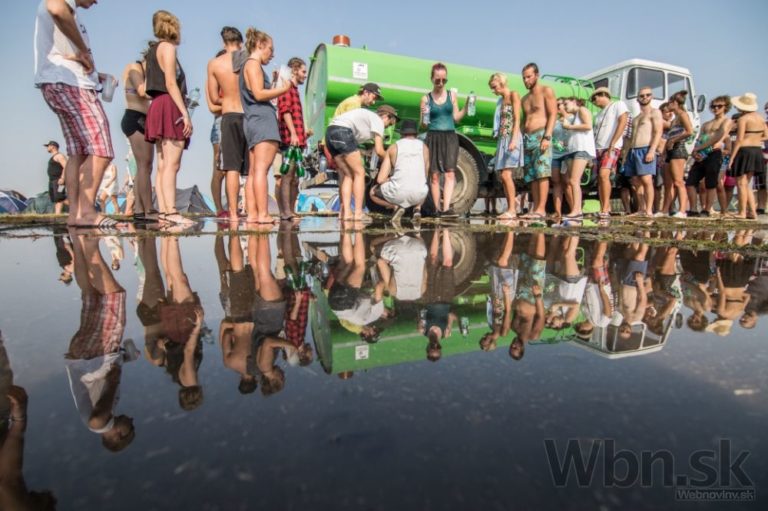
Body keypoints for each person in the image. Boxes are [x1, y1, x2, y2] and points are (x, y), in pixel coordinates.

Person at [35, 0, 118, 228]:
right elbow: (56, 8)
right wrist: (83, 50)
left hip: (59, 82)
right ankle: (86, 211)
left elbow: (64, 53)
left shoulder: (71, 15)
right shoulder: (62, 4)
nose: (96, 1)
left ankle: (75, 213)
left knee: (78, 153)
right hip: (71, 85)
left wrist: (95, 75)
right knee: (101, 149)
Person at [65, 231, 138, 451]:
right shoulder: (106, 413)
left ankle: (91, 245)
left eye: (131, 428)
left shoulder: (101, 424)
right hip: (83, 358)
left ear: (119, 436)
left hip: (96, 355)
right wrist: (125, 359)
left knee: (115, 297)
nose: (131, 420)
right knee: (90, 295)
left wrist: (113, 380)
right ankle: (78, 239)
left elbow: (96, 420)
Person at [239, 28, 296, 225]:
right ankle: (263, 214)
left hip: (252, 119)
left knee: (254, 171)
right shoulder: (253, 64)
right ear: (260, 45)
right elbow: (259, 94)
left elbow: (256, 92)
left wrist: (272, 83)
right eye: (270, 49)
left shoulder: (247, 66)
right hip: (263, 119)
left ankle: (253, 214)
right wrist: (284, 89)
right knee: (262, 170)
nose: (272, 54)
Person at [144, 10, 195, 227]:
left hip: (157, 104)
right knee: (172, 164)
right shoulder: (168, 48)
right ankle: (171, 210)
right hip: (169, 103)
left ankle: (165, 211)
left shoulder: (152, 51)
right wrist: (185, 113)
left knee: (163, 164)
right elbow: (171, 82)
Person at [326, 104, 399, 222]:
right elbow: (380, 150)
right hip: (343, 131)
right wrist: (392, 160)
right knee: (360, 172)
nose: (387, 127)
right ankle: (359, 213)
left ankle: (345, 212)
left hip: (330, 132)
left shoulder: (366, 119)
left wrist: (366, 152)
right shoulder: (378, 120)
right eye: (389, 123)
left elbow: (350, 146)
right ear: (386, 116)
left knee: (348, 175)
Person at [207, 27, 247, 223]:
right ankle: (226, 209)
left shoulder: (214, 64)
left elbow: (214, 98)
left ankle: (232, 213)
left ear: (224, 43)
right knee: (245, 169)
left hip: (228, 115)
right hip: (244, 115)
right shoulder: (247, 59)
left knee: (230, 168)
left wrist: (229, 99)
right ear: (241, 42)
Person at [421, 63, 468, 218]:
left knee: (450, 173)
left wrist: (466, 107)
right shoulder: (426, 99)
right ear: (431, 79)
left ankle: (446, 209)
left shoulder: (452, 96)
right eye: (437, 80)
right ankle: (436, 209)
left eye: (444, 80)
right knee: (434, 175)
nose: (441, 83)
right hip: (433, 136)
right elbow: (423, 125)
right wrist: (423, 114)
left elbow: (456, 118)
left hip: (450, 136)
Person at [369, 119, 429, 224]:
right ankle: (417, 210)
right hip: (419, 195)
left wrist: (391, 178)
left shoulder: (393, 147)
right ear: (416, 134)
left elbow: (380, 179)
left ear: (401, 133)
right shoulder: (424, 148)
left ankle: (396, 207)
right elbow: (425, 175)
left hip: (397, 193)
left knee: (372, 192)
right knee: (422, 185)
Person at [120, 53, 155, 223]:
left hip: (143, 118)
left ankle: (140, 208)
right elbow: (142, 91)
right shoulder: (134, 68)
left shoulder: (142, 71)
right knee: (143, 165)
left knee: (146, 166)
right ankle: (148, 209)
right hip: (135, 117)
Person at [520, 63, 556, 221]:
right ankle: (535, 208)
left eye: (529, 76)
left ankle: (541, 209)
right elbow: (525, 121)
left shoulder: (546, 91)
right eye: (524, 78)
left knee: (542, 174)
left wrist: (547, 137)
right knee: (532, 176)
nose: (526, 80)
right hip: (527, 139)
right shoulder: (524, 99)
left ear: (537, 75)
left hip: (541, 135)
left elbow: (553, 114)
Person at [686, 96, 732, 216]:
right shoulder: (706, 124)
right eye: (713, 106)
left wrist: (701, 149)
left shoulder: (726, 121)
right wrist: (695, 152)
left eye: (719, 106)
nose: (716, 108)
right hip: (701, 153)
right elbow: (699, 139)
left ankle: (707, 209)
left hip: (714, 153)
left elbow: (719, 137)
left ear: (725, 107)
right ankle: (693, 209)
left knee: (711, 183)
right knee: (690, 182)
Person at [276, 57, 309, 221]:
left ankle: (290, 210)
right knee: (287, 175)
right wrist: (294, 133)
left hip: (298, 140)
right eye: (303, 71)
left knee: (295, 178)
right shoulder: (287, 87)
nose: (305, 75)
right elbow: (285, 110)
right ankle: (286, 212)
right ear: (294, 70)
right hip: (290, 139)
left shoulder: (295, 90)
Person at [489, 73, 523, 220]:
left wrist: (514, 140)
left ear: (501, 83)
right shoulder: (501, 100)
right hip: (503, 139)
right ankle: (511, 207)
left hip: (511, 137)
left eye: (494, 87)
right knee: (503, 177)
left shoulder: (514, 94)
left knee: (506, 175)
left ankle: (512, 210)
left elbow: (517, 118)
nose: (493, 90)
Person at [625, 87, 663, 217]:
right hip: (633, 150)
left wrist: (652, 150)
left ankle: (649, 210)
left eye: (647, 95)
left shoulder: (655, 112)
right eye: (642, 96)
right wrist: (625, 154)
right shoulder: (636, 118)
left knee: (647, 179)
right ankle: (641, 208)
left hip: (645, 148)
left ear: (651, 97)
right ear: (637, 98)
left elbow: (658, 132)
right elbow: (630, 137)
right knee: (635, 181)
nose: (645, 97)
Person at [591, 87, 629, 218]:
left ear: (603, 95)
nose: (594, 102)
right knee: (600, 179)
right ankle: (603, 207)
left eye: (595, 98)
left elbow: (623, 121)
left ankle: (606, 208)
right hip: (598, 147)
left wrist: (613, 142)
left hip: (611, 146)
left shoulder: (618, 104)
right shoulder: (598, 114)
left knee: (604, 175)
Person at [729, 93, 768, 219]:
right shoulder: (761, 118)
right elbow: (766, 136)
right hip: (757, 150)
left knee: (741, 183)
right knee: (747, 184)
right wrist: (755, 138)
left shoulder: (743, 119)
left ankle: (742, 212)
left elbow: (739, 140)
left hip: (744, 151)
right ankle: (752, 212)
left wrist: (732, 158)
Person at [560, 97, 596, 219]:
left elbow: (588, 126)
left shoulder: (582, 110)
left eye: (566, 103)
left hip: (582, 149)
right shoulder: (574, 116)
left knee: (574, 181)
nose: (565, 106)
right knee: (573, 181)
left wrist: (569, 127)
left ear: (575, 102)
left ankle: (577, 211)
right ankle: (577, 209)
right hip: (573, 150)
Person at [659, 91, 692, 217]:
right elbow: (668, 137)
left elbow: (689, 131)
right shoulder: (674, 120)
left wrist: (674, 140)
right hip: (670, 151)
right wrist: (664, 154)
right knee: (669, 184)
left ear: (675, 103)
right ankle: (665, 210)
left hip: (678, 149)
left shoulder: (683, 115)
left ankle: (682, 211)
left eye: (669, 103)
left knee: (678, 182)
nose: (668, 105)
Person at [550, 99, 569, 218]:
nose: (557, 107)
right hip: (555, 155)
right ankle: (558, 212)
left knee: (567, 182)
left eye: (559, 105)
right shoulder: (554, 122)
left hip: (567, 155)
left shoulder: (572, 119)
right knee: (556, 182)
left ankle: (574, 210)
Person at [44, 140, 68, 214]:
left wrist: (63, 178)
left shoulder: (59, 156)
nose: (47, 148)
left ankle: (80, 206)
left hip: (59, 181)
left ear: (53, 147)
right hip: (52, 181)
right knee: (56, 199)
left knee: (60, 198)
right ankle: (57, 215)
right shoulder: (53, 157)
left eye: (48, 146)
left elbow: (66, 167)